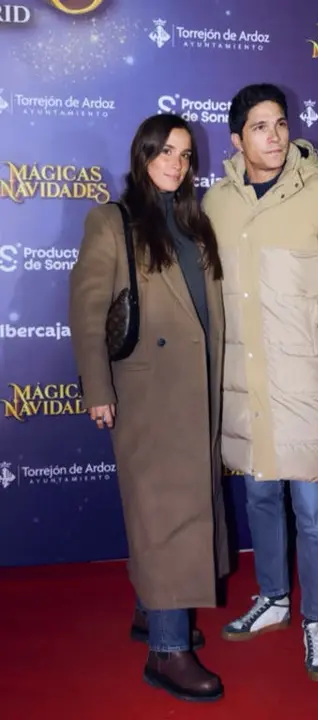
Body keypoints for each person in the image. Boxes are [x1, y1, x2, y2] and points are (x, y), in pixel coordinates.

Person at [201, 83, 318, 682]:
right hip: (244, 388)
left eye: (280, 124)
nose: (273, 137)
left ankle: (316, 621)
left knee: (315, 510)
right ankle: (274, 598)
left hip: (310, 385)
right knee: (258, 498)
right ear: (236, 138)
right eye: (259, 127)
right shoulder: (217, 203)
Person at [68, 114, 229, 702]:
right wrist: (98, 390)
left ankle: (148, 611)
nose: (175, 163)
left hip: (198, 390)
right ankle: (167, 649)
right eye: (164, 151)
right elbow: (87, 314)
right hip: (146, 393)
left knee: (182, 510)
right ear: (142, 155)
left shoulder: (195, 224)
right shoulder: (111, 220)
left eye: (185, 155)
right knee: (163, 514)